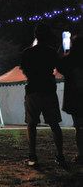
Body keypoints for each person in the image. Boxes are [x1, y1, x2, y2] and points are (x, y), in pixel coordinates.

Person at [20, 23, 67, 169]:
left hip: (33, 90)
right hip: (48, 90)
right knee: (54, 125)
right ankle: (60, 156)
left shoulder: (27, 52)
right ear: (47, 36)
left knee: (31, 124)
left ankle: (32, 156)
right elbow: (61, 68)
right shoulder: (52, 52)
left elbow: (24, 70)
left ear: (36, 35)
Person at [56, 35, 83, 164]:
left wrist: (63, 48)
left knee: (79, 128)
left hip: (76, 98)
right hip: (76, 98)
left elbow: (58, 63)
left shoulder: (71, 59)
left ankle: (81, 153)